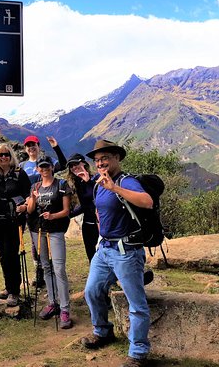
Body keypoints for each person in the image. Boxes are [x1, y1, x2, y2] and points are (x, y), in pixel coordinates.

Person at [80, 140, 153, 367]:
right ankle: (102, 331)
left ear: (117, 158)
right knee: (92, 291)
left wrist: (115, 189)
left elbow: (147, 202)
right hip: (105, 249)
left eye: (105, 158)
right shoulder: (98, 183)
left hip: (126, 251)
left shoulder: (126, 180)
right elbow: (99, 210)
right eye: (98, 159)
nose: (101, 162)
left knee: (136, 304)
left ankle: (138, 353)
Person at [26, 155, 73, 329]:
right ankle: (53, 302)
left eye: (47, 167)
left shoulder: (61, 185)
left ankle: (65, 308)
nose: (44, 170)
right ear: (37, 169)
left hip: (56, 231)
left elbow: (67, 210)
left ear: (52, 168)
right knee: (46, 266)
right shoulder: (35, 186)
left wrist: (53, 216)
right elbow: (30, 210)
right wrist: (33, 198)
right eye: (41, 167)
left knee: (59, 268)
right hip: (39, 230)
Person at [0, 143, 31, 307]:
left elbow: (28, 194)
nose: (4, 157)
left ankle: (14, 291)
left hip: (14, 220)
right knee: (3, 254)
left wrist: (25, 207)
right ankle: (8, 286)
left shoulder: (19, 174)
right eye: (1, 155)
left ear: (11, 157)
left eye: (7, 154)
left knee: (11, 253)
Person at [19, 135, 67, 288]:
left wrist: (56, 147)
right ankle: (39, 270)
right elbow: (18, 184)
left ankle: (52, 271)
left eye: (34, 145)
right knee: (35, 241)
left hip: (48, 204)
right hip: (32, 205)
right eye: (28, 145)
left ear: (38, 146)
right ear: (25, 149)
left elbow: (63, 165)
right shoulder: (22, 165)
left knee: (50, 237)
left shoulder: (48, 161)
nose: (31, 148)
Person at [66, 153, 100, 263]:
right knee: (92, 256)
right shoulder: (77, 183)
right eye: (71, 166)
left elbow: (98, 200)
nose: (73, 167)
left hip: (101, 224)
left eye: (76, 164)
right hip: (88, 224)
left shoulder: (97, 178)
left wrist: (88, 182)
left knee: (104, 255)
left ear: (83, 163)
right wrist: (68, 214)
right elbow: (85, 206)